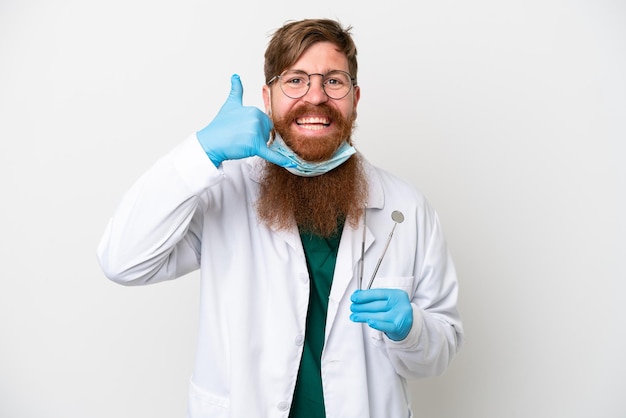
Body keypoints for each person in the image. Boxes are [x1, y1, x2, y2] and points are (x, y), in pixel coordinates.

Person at [97, 18, 463, 418]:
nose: (316, 97)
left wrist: (410, 329)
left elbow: (437, 354)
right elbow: (122, 261)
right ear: (267, 98)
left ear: (355, 97)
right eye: (295, 80)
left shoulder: (406, 209)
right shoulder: (225, 189)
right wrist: (203, 151)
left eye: (334, 81)